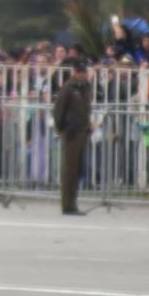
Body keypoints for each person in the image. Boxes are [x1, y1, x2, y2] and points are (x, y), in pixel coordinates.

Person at [54, 58, 93, 215]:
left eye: (85, 72)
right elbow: (59, 111)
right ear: (75, 72)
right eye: (81, 72)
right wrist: (61, 129)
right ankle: (67, 205)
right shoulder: (68, 88)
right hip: (71, 133)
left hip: (83, 132)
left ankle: (73, 203)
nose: (84, 75)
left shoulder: (86, 87)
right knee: (69, 170)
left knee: (78, 169)